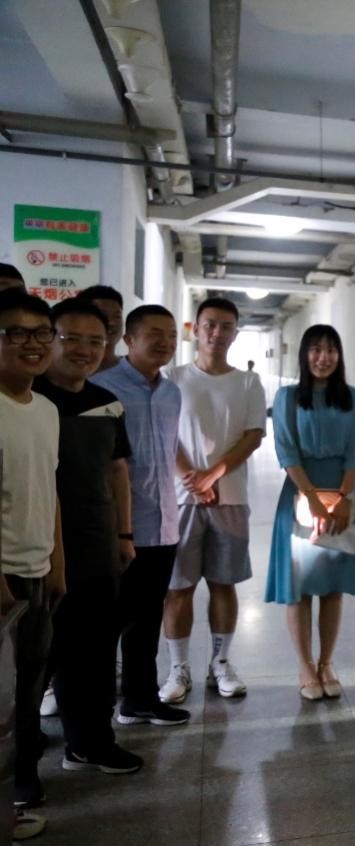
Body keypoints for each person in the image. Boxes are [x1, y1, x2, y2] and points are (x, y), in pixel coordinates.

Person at [34, 299, 143, 775]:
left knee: (96, 653)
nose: (84, 349)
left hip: (97, 544)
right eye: (71, 338)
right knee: (37, 658)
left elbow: (118, 470)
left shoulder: (107, 401)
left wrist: (124, 533)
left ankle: (91, 743)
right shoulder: (27, 398)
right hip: (39, 549)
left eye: (95, 341)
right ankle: (20, 766)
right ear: (49, 338)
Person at [160, 297, 266, 703]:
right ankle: (177, 669)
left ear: (235, 333)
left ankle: (220, 663)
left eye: (226, 326)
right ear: (195, 329)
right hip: (180, 500)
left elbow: (253, 436)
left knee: (224, 583)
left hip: (230, 499)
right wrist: (192, 478)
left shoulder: (247, 382)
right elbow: (163, 431)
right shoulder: (172, 377)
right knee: (178, 588)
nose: (217, 333)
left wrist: (213, 475)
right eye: (209, 324)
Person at [92, 306, 190, 727]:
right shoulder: (101, 388)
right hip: (119, 528)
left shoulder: (172, 393)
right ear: (129, 340)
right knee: (106, 624)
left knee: (147, 619)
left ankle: (140, 699)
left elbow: (169, 453)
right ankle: (93, 716)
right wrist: (118, 530)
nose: (165, 342)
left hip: (163, 524)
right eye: (154, 334)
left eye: (171, 334)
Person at [265, 325, 355, 701]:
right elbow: (286, 449)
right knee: (300, 587)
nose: (323, 357)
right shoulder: (288, 397)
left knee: (332, 586)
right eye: (315, 349)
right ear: (304, 355)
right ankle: (305, 665)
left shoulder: (353, 397)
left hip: (343, 495)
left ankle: (327, 662)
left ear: (339, 355)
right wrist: (310, 497)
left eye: (330, 350)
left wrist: (341, 497)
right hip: (299, 493)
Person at [0, 289, 65, 836]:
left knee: (25, 694)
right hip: (4, 580)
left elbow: (49, 490)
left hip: (39, 572)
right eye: (16, 333)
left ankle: (17, 794)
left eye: (42, 333)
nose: (33, 344)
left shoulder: (45, 409)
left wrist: (56, 562)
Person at [76, 285, 125, 372]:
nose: (111, 322)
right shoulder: (69, 369)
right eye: (103, 315)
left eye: (117, 316)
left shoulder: (134, 370)